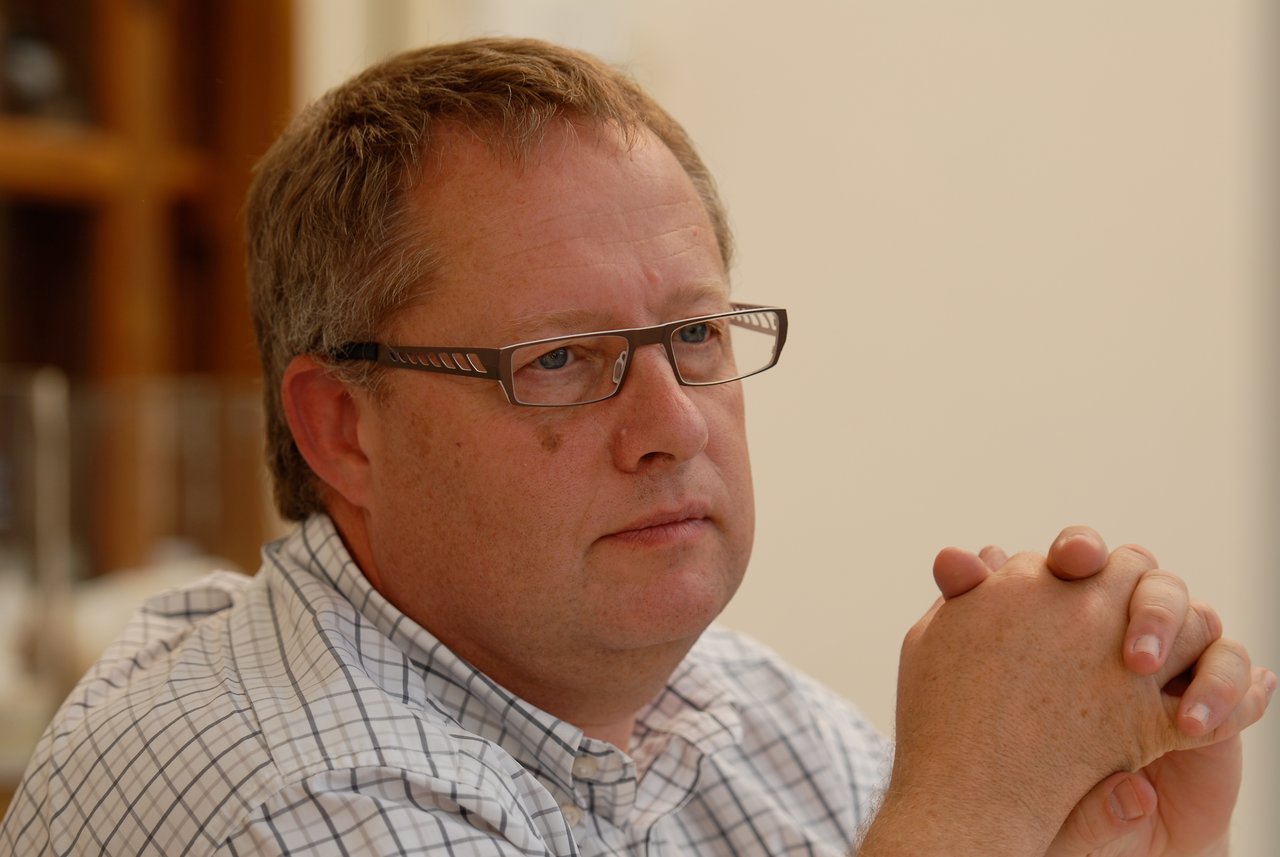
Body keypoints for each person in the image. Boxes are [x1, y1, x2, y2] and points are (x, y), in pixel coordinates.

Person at [1, 38, 1272, 857]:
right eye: (559, 359)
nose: (672, 424)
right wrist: (973, 804)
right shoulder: (280, 793)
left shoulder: (737, 712)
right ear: (344, 426)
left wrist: (1119, 825)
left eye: (693, 333)